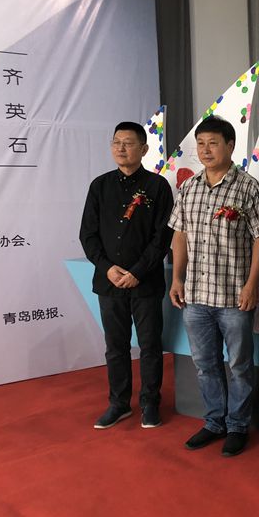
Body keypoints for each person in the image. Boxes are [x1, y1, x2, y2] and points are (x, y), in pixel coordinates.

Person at [168, 116, 259, 457]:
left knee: (239, 365)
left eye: (213, 143)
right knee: (205, 364)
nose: (205, 150)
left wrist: (252, 284)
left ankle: (238, 426)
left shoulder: (248, 187)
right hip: (195, 295)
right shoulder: (189, 187)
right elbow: (179, 234)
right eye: (201, 144)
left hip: (233, 295)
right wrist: (177, 278)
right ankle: (214, 422)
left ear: (230, 145)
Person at [80, 121, 174, 429]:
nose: (121, 148)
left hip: (145, 283)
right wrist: (107, 267)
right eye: (116, 142)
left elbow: (163, 237)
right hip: (108, 282)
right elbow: (88, 235)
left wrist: (137, 271)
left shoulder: (158, 187)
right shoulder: (99, 186)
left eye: (129, 143)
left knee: (149, 345)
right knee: (115, 347)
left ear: (144, 149)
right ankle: (119, 404)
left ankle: (150, 403)